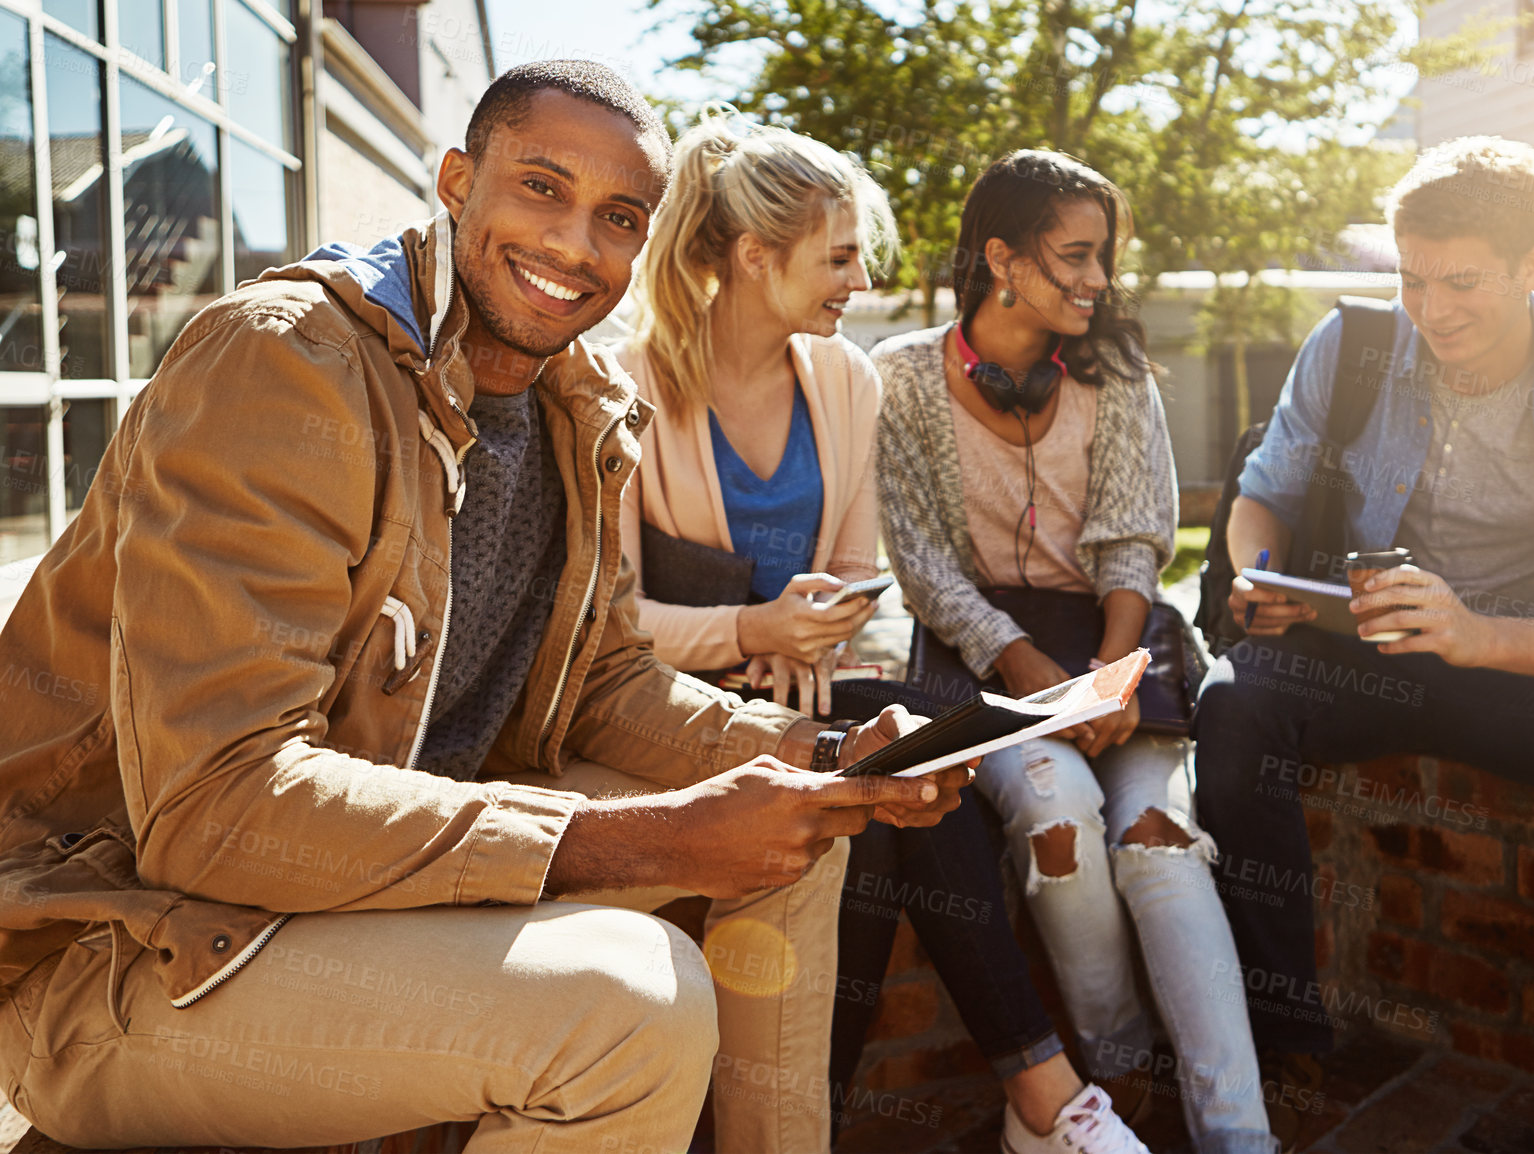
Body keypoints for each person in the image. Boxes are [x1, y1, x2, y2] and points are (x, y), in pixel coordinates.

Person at [0, 61, 967, 1154]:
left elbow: (600, 682)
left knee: (805, 821)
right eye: (541, 187)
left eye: (615, 217)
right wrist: (644, 836)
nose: (572, 244)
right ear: (458, 179)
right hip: (129, 943)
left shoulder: (571, 402)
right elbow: (218, 807)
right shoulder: (284, 364)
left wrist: (811, 744)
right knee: (628, 1011)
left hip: (370, 867)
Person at [615, 114, 1145, 1154]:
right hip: (671, 710)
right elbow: (605, 621)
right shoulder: (628, 384)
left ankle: (919, 1106)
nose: (857, 282)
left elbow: (860, 582)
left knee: (889, 772)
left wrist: (808, 635)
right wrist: (751, 626)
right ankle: (1043, 1092)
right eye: (839, 256)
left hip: (813, 700)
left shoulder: (844, 382)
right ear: (754, 256)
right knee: (889, 767)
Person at [1194, 136, 1534, 1153]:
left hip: (1513, 664)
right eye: (1411, 278)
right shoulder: (1352, 347)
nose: (1431, 311)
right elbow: (1263, 486)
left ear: (1533, 266)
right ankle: (1286, 1039)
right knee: (1234, 701)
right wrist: (1265, 577)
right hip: (1371, 655)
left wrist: (1480, 634)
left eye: (1463, 281)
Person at [875, 150, 1277, 1154]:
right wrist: (1024, 670)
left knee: (1159, 849)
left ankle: (1239, 1135)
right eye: (1076, 256)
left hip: (1115, 638)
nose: (1099, 279)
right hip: (984, 658)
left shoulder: (1120, 376)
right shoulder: (898, 381)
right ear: (1002, 259)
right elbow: (918, 558)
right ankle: (1115, 1070)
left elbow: (1134, 541)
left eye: (1105, 257)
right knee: (1058, 817)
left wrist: (1112, 669)